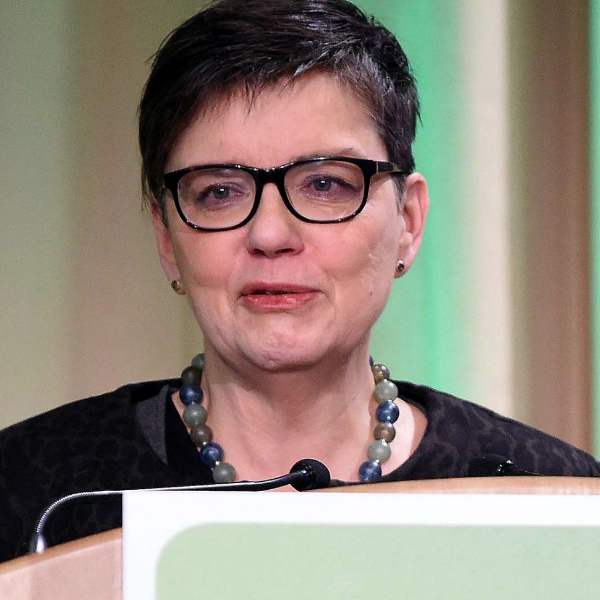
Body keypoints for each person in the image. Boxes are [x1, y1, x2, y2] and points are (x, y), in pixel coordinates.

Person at [0, 0, 598, 564]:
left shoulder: (557, 501)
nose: (270, 234)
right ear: (166, 238)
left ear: (408, 223)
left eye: (325, 184)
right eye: (219, 192)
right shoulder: (31, 493)